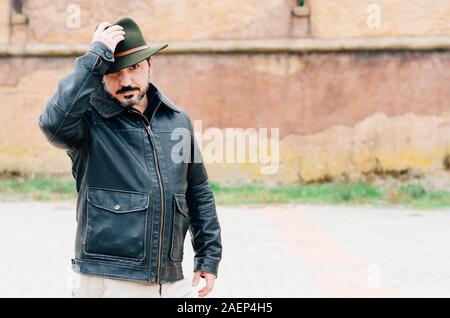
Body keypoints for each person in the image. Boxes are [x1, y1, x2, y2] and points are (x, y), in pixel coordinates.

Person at [38, 17, 222, 298]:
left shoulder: (177, 120)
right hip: (110, 279)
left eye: (134, 68)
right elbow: (52, 124)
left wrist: (208, 257)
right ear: (100, 75)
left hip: (171, 279)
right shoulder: (88, 120)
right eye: (113, 72)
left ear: (150, 65)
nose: (126, 81)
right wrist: (93, 57)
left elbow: (197, 191)